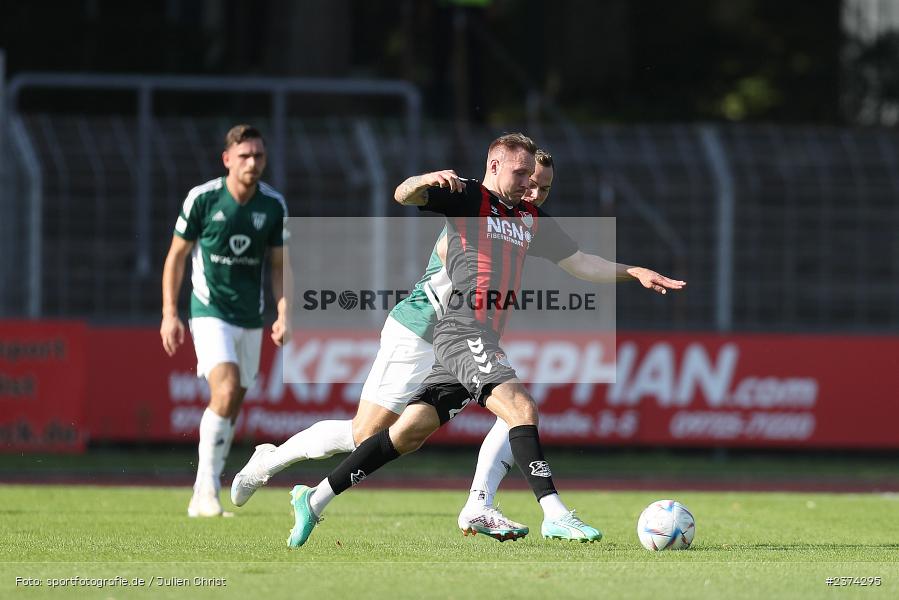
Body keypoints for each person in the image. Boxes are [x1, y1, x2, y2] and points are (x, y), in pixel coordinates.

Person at [284, 133, 685, 547]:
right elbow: (403, 195)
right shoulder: (467, 198)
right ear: (494, 165)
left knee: (407, 434)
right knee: (521, 406)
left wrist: (633, 270)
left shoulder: (528, 218)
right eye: (521, 172)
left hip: (476, 336)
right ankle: (555, 513)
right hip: (462, 329)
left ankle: (313, 499)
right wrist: (426, 179)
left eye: (534, 175)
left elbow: (580, 262)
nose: (530, 183)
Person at [230, 148, 556, 542]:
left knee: (513, 410)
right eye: (531, 182)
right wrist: (423, 183)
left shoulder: (520, 222)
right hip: (419, 330)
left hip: (464, 341)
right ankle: (269, 460)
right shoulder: (476, 210)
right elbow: (418, 208)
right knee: (365, 434)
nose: (534, 194)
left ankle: (479, 504)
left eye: (545, 189)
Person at [160, 124, 290, 517]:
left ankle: (208, 488)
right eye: (245, 155)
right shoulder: (203, 199)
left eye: (259, 156)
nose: (253, 163)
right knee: (227, 386)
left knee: (233, 402)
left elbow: (280, 266)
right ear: (227, 159)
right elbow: (176, 257)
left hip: (250, 317)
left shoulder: (272, 206)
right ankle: (204, 490)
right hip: (209, 311)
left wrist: (284, 313)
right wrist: (170, 313)